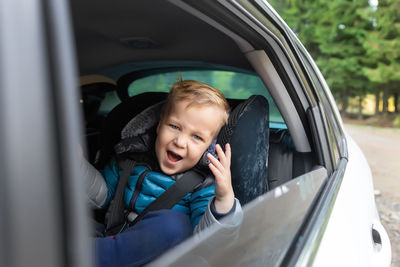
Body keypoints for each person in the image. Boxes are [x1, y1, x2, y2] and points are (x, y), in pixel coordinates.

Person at [88, 79, 243, 267]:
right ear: (159, 124)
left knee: (174, 225)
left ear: (208, 147)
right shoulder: (129, 160)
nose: (180, 141)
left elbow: (209, 243)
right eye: (175, 127)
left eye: (196, 137)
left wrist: (224, 198)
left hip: (160, 258)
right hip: (111, 237)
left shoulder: (202, 185)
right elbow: (101, 197)